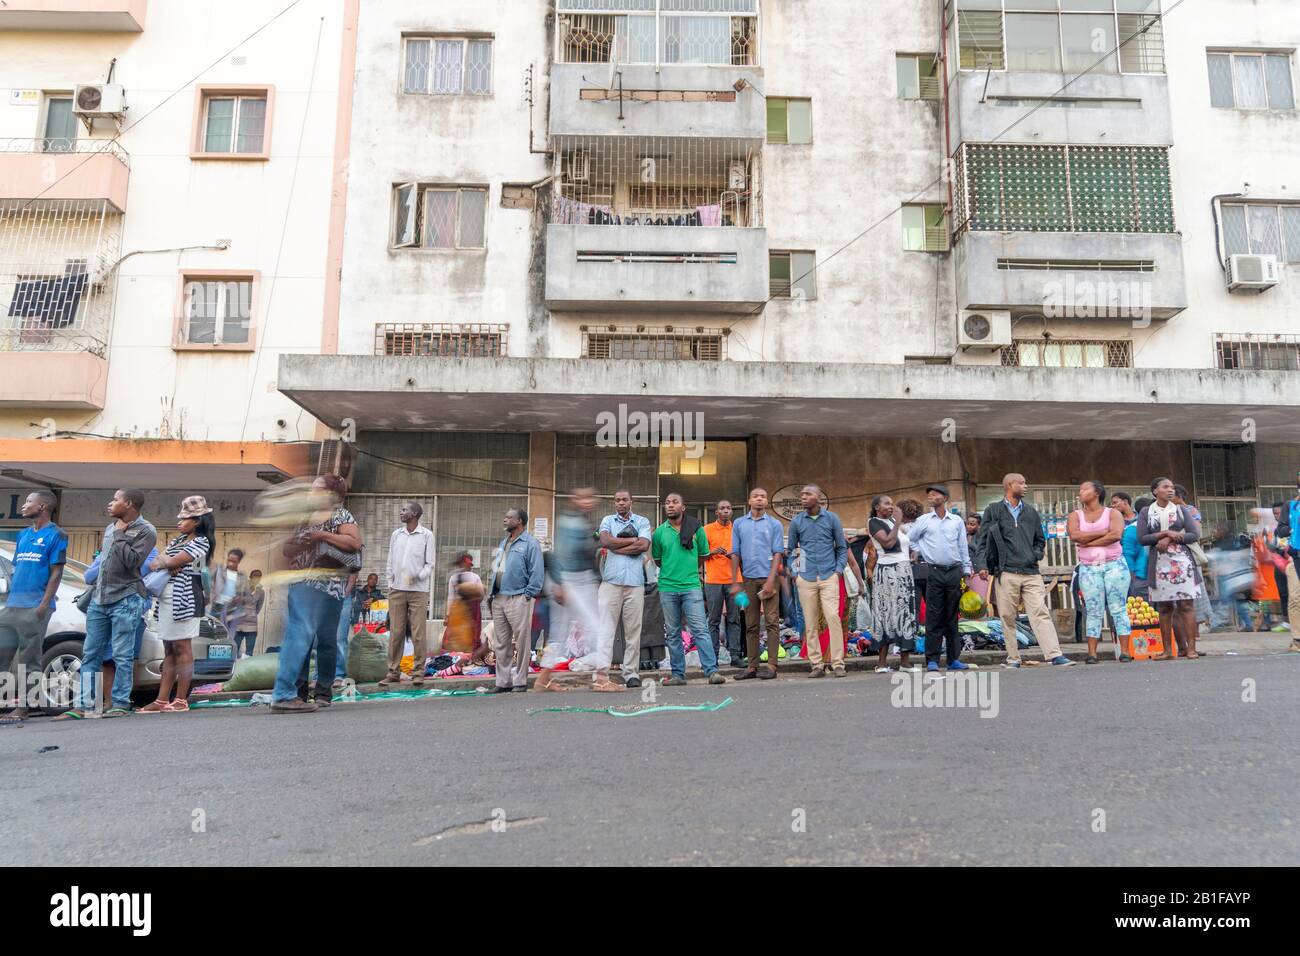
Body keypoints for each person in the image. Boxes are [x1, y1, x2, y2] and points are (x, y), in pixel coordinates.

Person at [57, 489, 157, 720]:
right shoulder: (111, 528)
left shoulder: (146, 530)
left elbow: (133, 562)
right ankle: (84, 706)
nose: (110, 504)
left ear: (129, 504)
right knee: (90, 653)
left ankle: (120, 703)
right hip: (100, 600)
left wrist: (122, 535)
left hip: (126, 599)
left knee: (122, 655)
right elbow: (102, 563)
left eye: (116, 500)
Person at [271, 475, 362, 714]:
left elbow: (354, 543)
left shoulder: (341, 516)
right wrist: (303, 543)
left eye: (316, 489)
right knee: (302, 638)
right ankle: (297, 693)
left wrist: (322, 536)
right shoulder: (304, 518)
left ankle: (323, 692)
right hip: (302, 583)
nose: (310, 494)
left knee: (326, 640)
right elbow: (287, 549)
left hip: (329, 588)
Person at [976, 474, 1074, 669]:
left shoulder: (1031, 512)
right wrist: (982, 565)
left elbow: (1040, 539)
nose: (1025, 486)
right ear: (1009, 485)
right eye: (1021, 483)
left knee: (1040, 612)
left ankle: (1055, 655)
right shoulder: (993, 510)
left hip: (1031, 571)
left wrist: (1035, 554)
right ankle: (1013, 658)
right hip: (1006, 571)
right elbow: (983, 539)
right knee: (1007, 616)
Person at [137, 497, 215, 713]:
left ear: (197, 521)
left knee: (182, 648)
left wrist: (168, 563)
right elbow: (156, 563)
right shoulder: (178, 541)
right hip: (165, 598)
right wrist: (167, 563)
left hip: (185, 599)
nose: (179, 522)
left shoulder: (202, 541)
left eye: (185, 518)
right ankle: (162, 700)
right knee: (169, 649)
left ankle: (180, 699)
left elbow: (168, 562)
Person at [0, 491, 66, 724]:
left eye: (29, 502)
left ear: (44, 506)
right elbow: (17, 568)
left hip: (35, 606)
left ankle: (25, 706)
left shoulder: (57, 534)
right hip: (13, 606)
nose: (24, 506)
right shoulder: (23, 534)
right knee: (3, 655)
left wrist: (43, 606)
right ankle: (4, 703)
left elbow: (57, 572)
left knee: (30, 659)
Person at [538, 488, 609, 692]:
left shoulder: (582, 523)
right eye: (583, 497)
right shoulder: (572, 523)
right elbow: (560, 555)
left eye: (591, 497)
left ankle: (543, 678)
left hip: (572, 581)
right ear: (574, 500)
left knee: (558, 635)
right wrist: (561, 585)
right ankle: (602, 678)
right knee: (597, 628)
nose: (588, 501)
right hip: (572, 581)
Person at [651, 493, 725, 686]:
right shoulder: (659, 532)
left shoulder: (696, 529)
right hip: (667, 587)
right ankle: (678, 675)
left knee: (700, 629)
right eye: (667, 503)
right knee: (673, 632)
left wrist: (689, 569)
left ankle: (712, 671)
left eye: (675, 502)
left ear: (683, 507)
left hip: (691, 586)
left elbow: (702, 555)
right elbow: (658, 560)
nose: (670, 505)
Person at [786, 485, 849, 678]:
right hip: (806, 577)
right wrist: (796, 574)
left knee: (833, 617)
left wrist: (838, 571)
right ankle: (817, 664)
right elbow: (791, 551)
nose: (803, 497)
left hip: (829, 574)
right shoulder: (797, 521)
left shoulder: (832, 518)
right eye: (802, 495)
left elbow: (841, 547)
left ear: (818, 497)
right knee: (810, 622)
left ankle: (838, 664)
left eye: (808, 494)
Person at [908, 484, 972, 673]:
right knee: (933, 616)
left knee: (952, 616)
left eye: (935, 494)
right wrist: (922, 552)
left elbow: (962, 547)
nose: (931, 497)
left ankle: (953, 659)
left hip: (954, 571)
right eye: (929, 495)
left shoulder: (956, 521)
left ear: (944, 498)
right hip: (933, 571)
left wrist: (967, 571)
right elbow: (910, 539)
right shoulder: (923, 520)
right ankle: (932, 660)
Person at [1068, 481, 1132, 665]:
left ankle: (1125, 651)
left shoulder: (1113, 513)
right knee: (1093, 609)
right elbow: (1074, 536)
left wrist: (1087, 542)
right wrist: (1104, 532)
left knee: (1118, 608)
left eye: (1085, 489)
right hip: (1088, 567)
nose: (1081, 492)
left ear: (1097, 493)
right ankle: (1092, 653)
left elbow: (1116, 535)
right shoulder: (1075, 515)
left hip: (1115, 565)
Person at [1138, 477, 1202, 659]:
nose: (1170, 490)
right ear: (1155, 491)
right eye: (1165, 487)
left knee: (1186, 605)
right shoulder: (1146, 512)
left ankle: (1191, 649)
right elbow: (1142, 538)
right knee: (1164, 608)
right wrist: (1164, 533)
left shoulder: (1181, 510)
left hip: (1182, 564)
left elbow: (1193, 535)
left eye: (1172, 487)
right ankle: (1167, 650)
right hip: (1159, 565)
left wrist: (1172, 538)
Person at [596, 490, 652, 689]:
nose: (621, 503)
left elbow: (644, 545)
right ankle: (601, 674)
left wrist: (616, 546)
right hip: (610, 582)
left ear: (631, 501)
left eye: (624, 499)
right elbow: (605, 541)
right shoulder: (607, 520)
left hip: (635, 583)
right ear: (614, 503)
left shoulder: (643, 521)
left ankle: (631, 673)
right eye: (617, 500)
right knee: (605, 630)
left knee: (633, 632)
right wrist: (631, 541)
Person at [729, 487, 785, 681]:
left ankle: (771, 665)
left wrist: (771, 580)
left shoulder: (775, 524)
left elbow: (778, 552)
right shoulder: (739, 523)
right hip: (748, 580)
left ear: (767, 501)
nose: (759, 499)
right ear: (749, 500)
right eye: (756, 497)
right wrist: (735, 582)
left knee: (771, 622)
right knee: (750, 623)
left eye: (763, 496)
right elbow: (735, 553)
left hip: (770, 579)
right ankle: (752, 666)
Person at [485, 507, 544, 693]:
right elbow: (497, 568)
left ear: (519, 521)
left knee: (522, 641)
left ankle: (520, 680)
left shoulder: (530, 543)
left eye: (509, 517)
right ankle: (503, 682)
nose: (505, 520)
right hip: (499, 597)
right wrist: (491, 594)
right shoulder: (504, 543)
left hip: (518, 597)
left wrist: (528, 594)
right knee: (501, 643)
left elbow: (537, 571)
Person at [379, 501, 434, 688]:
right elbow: (390, 560)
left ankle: (418, 672)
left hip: (418, 591)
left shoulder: (427, 535)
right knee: (396, 632)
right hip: (397, 589)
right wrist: (390, 582)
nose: (402, 512)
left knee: (418, 633)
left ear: (415, 514)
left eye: (405, 510)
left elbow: (430, 565)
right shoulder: (396, 535)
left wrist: (417, 577)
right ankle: (393, 672)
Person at [867, 495, 917, 673]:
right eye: (886, 504)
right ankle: (881, 663)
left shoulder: (892, 523)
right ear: (876, 508)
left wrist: (912, 554)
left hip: (903, 571)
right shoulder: (874, 522)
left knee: (904, 614)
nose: (891, 506)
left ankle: (905, 662)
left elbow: (902, 545)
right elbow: (888, 543)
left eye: (891, 503)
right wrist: (897, 522)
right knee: (885, 613)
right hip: (888, 572)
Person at [434, 553, 490, 677]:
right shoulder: (454, 578)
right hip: (458, 610)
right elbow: (451, 597)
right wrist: (448, 615)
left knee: (472, 635)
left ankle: (470, 660)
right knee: (455, 636)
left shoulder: (474, 577)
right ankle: (455, 661)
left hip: (471, 609)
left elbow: (481, 595)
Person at [702, 500, 743, 665]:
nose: (726, 510)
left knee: (735, 619)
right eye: (722, 508)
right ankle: (713, 658)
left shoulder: (738, 529)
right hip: (713, 581)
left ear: (732, 511)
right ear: (716, 512)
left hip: (736, 581)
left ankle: (735, 656)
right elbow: (699, 554)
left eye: (728, 508)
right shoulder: (706, 530)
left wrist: (734, 555)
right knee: (713, 620)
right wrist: (711, 552)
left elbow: (746, 555)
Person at [1114, 492, 1151, 599]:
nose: (1113, 506)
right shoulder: (1122, 525)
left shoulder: (1146, 522)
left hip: (1149, 572)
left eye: (1115, 502)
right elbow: (1128, 553)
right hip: (1136, 573)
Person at [222, 569, 265, 659]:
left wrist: (252, 613)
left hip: (252, 624)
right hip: (239, 622)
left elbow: (259, 607)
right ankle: (235, 669)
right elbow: (234, 602)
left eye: (259, 576)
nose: (256, 578)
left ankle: (247, 668)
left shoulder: (261, 592)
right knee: (235, 648)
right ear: (250, 577)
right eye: (255, 575)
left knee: (249, 650)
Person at [209, 549, 244, 620]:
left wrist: (239, 598)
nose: (230, 563)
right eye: (229, 560)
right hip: (217, 605)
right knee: (213, 628)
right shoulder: (219, 569)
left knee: (227, 630)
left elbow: (242, 593)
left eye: (234, 562)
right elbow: (207, 579)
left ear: (239, 562)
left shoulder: (241, 576)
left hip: (232, 607)